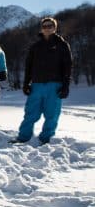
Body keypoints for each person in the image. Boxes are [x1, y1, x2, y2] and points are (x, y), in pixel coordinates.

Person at [10, 17, 72, 145]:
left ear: (54, 28)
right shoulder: (35, 46)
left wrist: (65, 86)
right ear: (41, 29)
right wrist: (26, 83)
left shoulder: (62, 45)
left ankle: (46, 139)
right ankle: (23, 137)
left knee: (52, 114)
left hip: (55, 85)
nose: (47, 28)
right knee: (30, 113)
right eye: (45, 26)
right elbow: (29, 66)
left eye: (50, 26)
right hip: (37, 85)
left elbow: (68, 66)